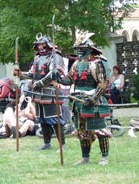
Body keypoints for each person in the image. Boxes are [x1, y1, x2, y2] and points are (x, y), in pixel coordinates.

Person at [58, 33, 111, 165]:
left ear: (89, 48)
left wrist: (93, 98)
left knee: (99, 130)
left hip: (94, 103)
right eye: (78, 48)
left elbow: (103, 83)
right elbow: (69, 79)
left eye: (82, 47)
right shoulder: (76, 63)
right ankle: (85, 157)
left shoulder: (98, 63)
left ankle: (104, 157)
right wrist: (58, 78)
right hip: (79, 102)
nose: (79, 50)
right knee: (82, 131)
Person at [13, 33, 66, 151]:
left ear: (48, 44)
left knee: (55, 119)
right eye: (38, 45)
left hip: (51, 93)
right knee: (43, 120)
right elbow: (32, 74)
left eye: (42, 44)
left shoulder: (55, 56)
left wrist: (39, 83)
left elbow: (53, 73)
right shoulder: (37, 58)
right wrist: (21, 74)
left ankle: (62, 145)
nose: (40, 47)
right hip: (38, 94)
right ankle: (47, 143)